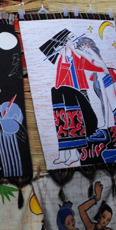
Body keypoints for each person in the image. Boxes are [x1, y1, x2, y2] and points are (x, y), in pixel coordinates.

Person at [40, 29, 101, 166]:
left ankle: (73, 154)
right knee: (62, 118)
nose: (74, 39)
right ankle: (63, 153)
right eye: (70, 38)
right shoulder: (63, 59)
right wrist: (64, 57)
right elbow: (60, 80)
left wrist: (77, 52)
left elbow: (96, 66)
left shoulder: (78, 56)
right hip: (66, 92)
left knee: (74, 120)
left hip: (79, 92)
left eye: (73, 37)